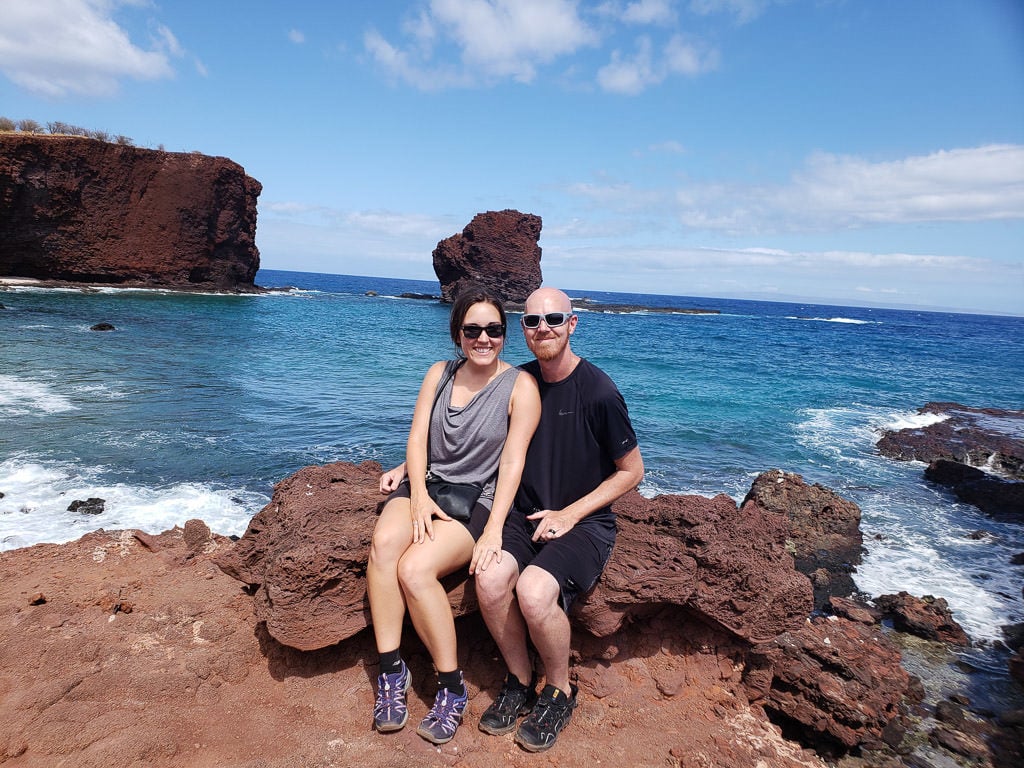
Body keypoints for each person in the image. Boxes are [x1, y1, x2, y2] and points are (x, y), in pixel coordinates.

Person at [367, 289, 540, 745]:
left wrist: (495, 531)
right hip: (427, 485)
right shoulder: (439, 374)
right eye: (473, 330)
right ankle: (392, 673)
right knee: (384, 545)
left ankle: (451, 688)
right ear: (458, 334)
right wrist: (418, 494)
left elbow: (512, 465)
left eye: (494, 330)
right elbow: (417, 438)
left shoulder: (520, 387)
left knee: (415, 568)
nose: (484, 338)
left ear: (505, 334)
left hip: (474, 502)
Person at [474, 287, 644, 752]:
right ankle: (519, 680)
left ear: (572, 323)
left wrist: (570, 513)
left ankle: (559, 690)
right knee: (488, 580)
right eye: (531, 321)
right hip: (525, 515)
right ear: (523, 330)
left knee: (532, 591)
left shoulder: (600, 392)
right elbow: (469, 434)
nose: (542, 328)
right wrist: (410, 468)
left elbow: (633, 471)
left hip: (584, 523)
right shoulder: (519, 382)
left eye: (553, 318)